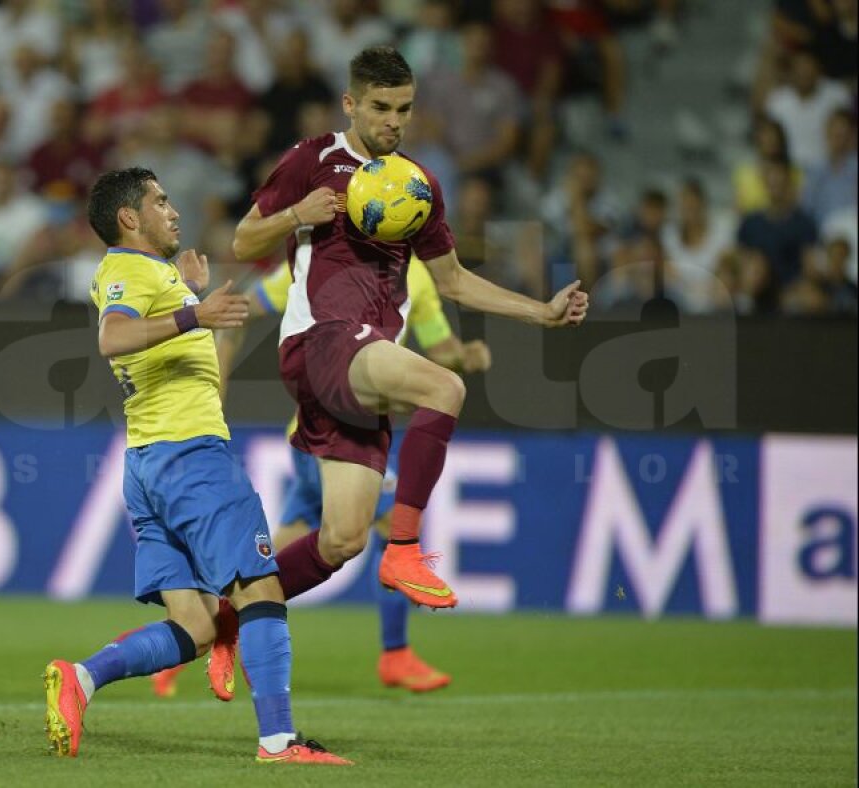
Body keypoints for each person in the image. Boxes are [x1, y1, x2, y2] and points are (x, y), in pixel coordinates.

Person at [228, 45, 586, 622]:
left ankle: (220, 624)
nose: (393, 120)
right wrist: (296, 216)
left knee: (341, 541)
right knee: (444, 389)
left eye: (404, 108)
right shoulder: (314, 159)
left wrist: (542, 312)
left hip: (362, 364)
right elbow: (243, 242)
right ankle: (405, 549)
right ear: (350, 104)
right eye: (380, 107)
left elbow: (454, 282)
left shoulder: (418, 187)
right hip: (322, 341)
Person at [43, 167, 350, 766]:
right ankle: (280, 742)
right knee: (261, 586)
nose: (174, 210)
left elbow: (159, 333)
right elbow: (113, 337)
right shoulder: (128, 270)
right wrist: (194, 313)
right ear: (129, 218)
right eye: (160, 201)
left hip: (147, 463)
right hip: (191, 457)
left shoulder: (147, 275)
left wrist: (183, 292)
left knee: (197, 626)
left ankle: (81, 678)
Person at [151, 256, 493, 699]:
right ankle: (395, 653)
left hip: (342, 439)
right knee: (389, 526)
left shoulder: (419, 278)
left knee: (271, 562)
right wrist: (218, 363)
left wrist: (467, 356)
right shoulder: (323, 261)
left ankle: (191, 633)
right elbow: (240, 308)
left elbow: (443, 353)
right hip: (327, 437)